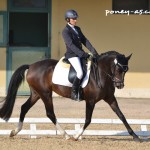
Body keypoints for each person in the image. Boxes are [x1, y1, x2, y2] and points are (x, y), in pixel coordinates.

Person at [62, 9, 99, 101]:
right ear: (68, 19)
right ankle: (74, 93)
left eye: (76, 18)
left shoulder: (77, 29)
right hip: (72, 55)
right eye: (73, 18)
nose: (75, 20)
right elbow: (71, 45)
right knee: (80, 72)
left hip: (80, 54)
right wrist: (83, 54)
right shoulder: (65, 31)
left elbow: (85, 41)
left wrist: (94, 51)